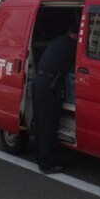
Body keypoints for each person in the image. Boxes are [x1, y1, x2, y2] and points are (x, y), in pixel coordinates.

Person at [32, 23, 78, 174]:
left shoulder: (58, 41)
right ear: (75, 35)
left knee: (41, 123)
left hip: (39, 81)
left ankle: (43, 159)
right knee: (48, 125)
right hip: (48, 85)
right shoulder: (71, 46)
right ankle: (47, 164)